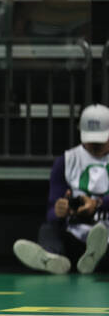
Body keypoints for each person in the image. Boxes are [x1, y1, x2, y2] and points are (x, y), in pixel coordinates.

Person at [13, 104, 109, 275]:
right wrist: (60, 210)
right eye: (91, 139)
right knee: (48, 229)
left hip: (106, 233)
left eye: (100, 140)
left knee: (102, 236)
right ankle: (52, 258)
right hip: (75, 235)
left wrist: (98, 204)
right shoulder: (66, 161)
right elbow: (51, 211)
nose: (94, 145)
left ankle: (96, 256)